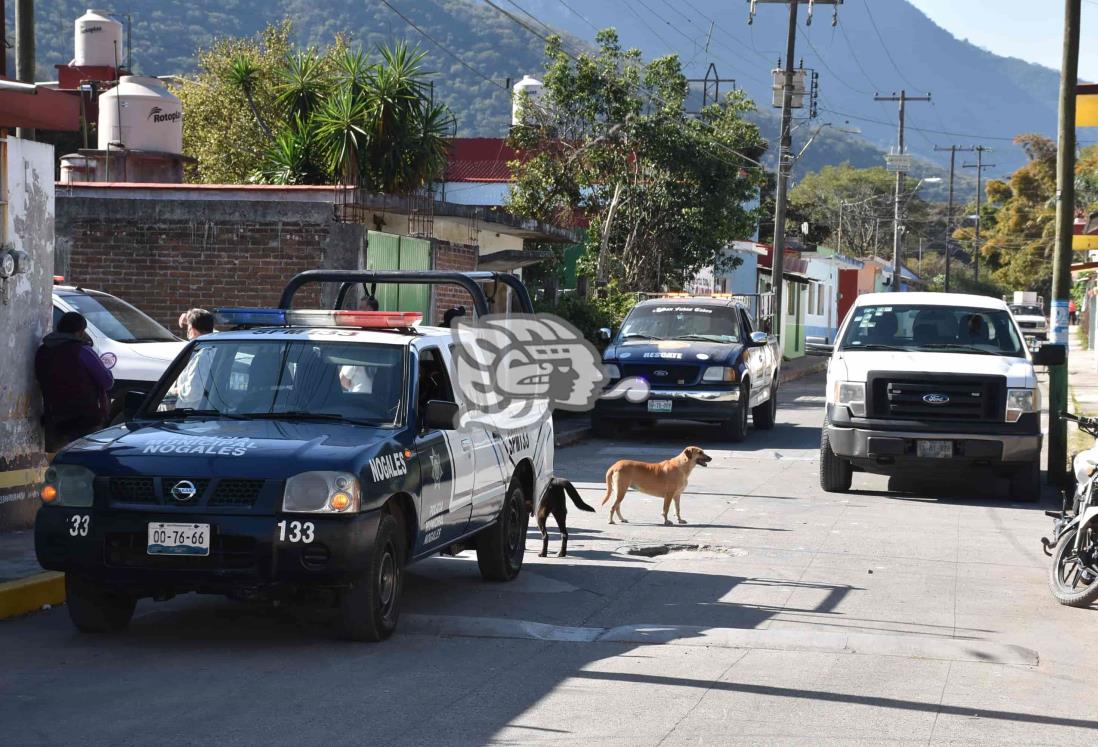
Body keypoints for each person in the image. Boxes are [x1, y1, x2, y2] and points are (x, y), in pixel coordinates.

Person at [35, 311, 114, 451]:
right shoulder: (82, 351)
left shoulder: (43, 351)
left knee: (59, 463)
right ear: (80, 331)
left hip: (54, 417)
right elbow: (107, 381)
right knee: (85, 462)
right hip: (85, 419)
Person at [168, 309, 217, 409]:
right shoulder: (216, 346)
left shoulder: (202, 355)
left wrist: (176, 391)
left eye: (188, 328)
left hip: (190, 415)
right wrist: (190, 319)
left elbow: (193, 391)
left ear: (192, 330)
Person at [340, 296, 381, 392]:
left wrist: (351, 385)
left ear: (370, 310)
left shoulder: (360, 343)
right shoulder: (384, 339)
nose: (358, 310)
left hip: (359, 401)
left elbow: (343, 379)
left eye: (361, 308)